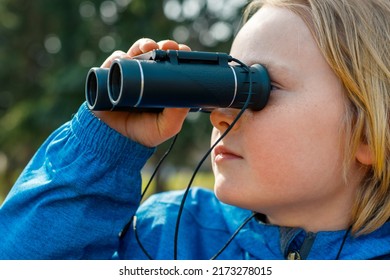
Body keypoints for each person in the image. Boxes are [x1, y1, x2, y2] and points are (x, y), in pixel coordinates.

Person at [0, 0, 389, 260]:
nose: (220, 113)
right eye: (226, 84)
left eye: (256, 89)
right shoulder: (162, 235)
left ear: (369, 134)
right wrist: (101, 151)